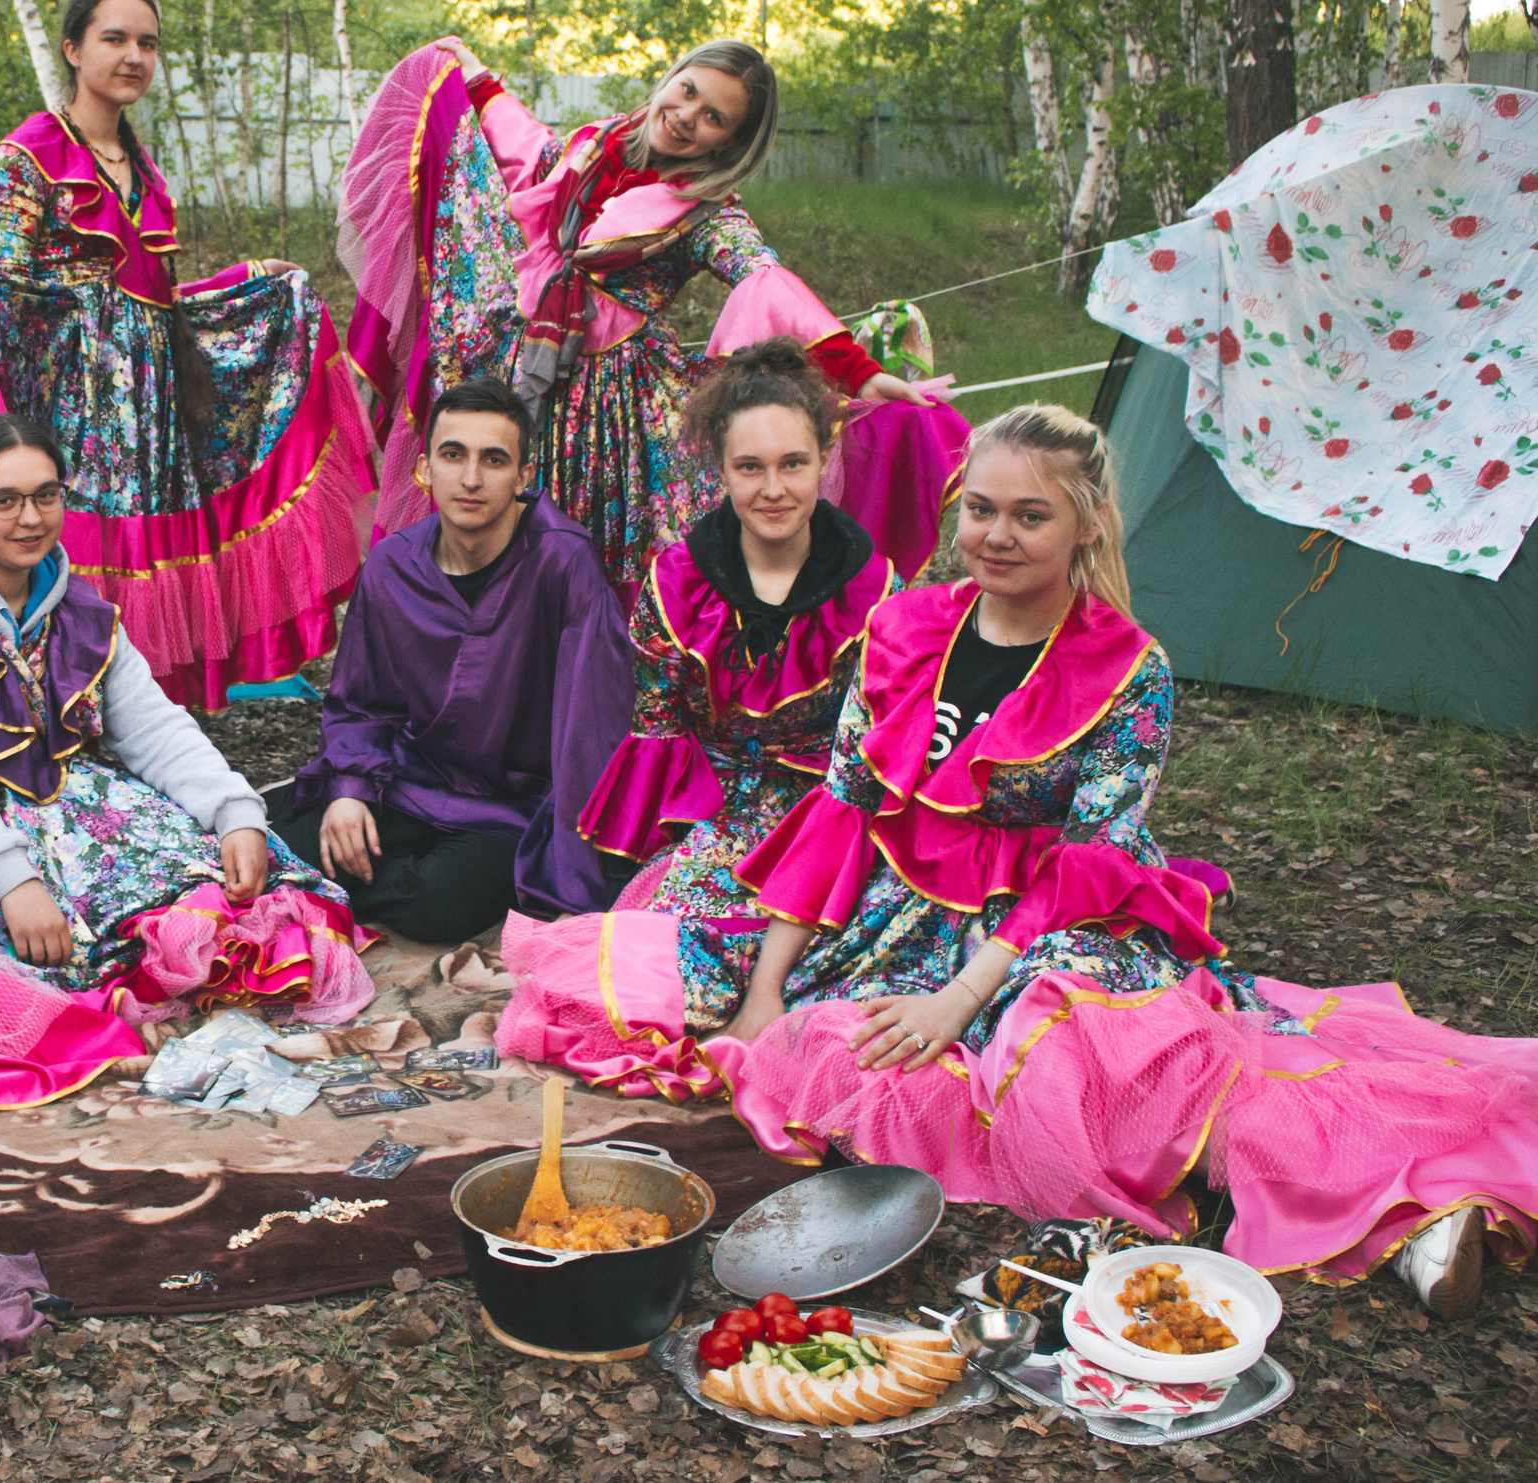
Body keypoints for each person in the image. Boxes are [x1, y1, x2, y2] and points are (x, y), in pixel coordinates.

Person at [513, 406, 1538, 1316]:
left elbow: (1092, 863)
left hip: (1051, 924)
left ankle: (1411, 1208)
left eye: (1029, 516)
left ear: (1084, 525)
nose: (995, 537)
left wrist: (961, 1001)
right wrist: (765, 990)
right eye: (979, 511)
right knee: (678, 987)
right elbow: (840, 813)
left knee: (1093, 1068)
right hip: (892, 912)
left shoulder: (1129, 669)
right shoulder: (903, 627)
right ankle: (832, 1008)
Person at [0, 415, 372, 1104]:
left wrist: (236, 811)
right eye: (4, 501)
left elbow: (150, 724)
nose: (30, 518)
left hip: (57, 797)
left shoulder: (73, 606)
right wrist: (12, 878)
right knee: (47, 951)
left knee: (216, 883)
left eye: (46, 495)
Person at [0, 0, 373, 708]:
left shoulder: (148, 173)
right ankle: (59, 715)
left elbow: (153, 304)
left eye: (147, 43)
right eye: (115, 39)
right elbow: (15, 301)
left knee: (146, 557)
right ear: (72, 49)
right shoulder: (29, 156)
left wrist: (252, 277)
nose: (133, 56)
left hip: (150, 406)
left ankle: (140, 722)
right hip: (74, 405)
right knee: (71, 543)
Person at [337, 34, 965, 599]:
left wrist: (854, 372)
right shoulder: (593, 146)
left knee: (580, 547)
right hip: (508, 359)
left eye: (714, 117)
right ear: (671, 78)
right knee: (476, 511)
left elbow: (764, 276)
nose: (688, 117)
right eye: (687, 91)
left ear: (732, 142)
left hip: (606, 413)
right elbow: (532, 151)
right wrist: (478, 79)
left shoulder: (706, 211)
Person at [495, 341, 895, 1090]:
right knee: (656, 984)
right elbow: (661, 733)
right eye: (751, 468)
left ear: (824, 459)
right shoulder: (675, 582)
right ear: (720, 469)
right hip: (718, 816)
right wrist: (687, 848)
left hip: (839, 817)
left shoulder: (877, 591)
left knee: (854, 972)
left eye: (793, 464)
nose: (773, 488)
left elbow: (871, 763)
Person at [273, 377, 632, 941]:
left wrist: (573, 871)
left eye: (493, 460)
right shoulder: (392, 566)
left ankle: (366, 891)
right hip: (409, 782)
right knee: (289, 850)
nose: (470, 478)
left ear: (523, 477)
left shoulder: (563, 564)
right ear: (424, 470)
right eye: (453, 455)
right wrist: (350, 791)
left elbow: (591, 729)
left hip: (509, 807)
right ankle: (360, 879)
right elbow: (361, 703)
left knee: (439, 906)